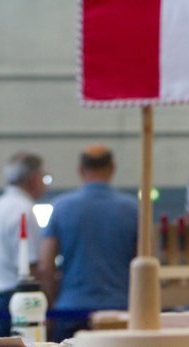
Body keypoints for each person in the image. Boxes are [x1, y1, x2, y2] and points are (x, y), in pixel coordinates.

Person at [38, 145, 138, 342]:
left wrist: (52, 303)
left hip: (70, 311)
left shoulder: (61, 207)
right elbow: (144, 259)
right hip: (120, 310)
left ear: (80, 170)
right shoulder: (133, 208)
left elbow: (45, 266)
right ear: (112, 168)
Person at [0, 152, 46, 336]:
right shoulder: (23, 209)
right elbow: (30, 264)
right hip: (19, 297)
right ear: (34, 178)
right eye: (45, 178)